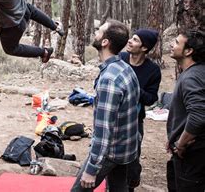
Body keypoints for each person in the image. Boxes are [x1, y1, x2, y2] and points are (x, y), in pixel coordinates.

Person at [71, 20, 140, 192]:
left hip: (111, 152)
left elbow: (103, 130)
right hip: (126, 150)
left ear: (105, 42)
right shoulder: (126, 68)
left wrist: (92, 169)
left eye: (99, 31)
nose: (95, 32)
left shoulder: (109, 79)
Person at [119, 29, 161, 191]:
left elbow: (151, 98)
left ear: (144, 48)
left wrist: (134, 86)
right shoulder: (120, 59)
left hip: (135, 120)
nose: (129, 41)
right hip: (115, 117)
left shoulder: (152, 70)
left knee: (132, 158)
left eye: (135, 40)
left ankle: (131, 184)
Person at [166, 30, 205, 192]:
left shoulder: (192, 77)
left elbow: (198, 115)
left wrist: (181, 143)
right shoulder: (198, 72)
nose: (171, 45)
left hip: (192, 153)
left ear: (188, 51)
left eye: (176, 42)